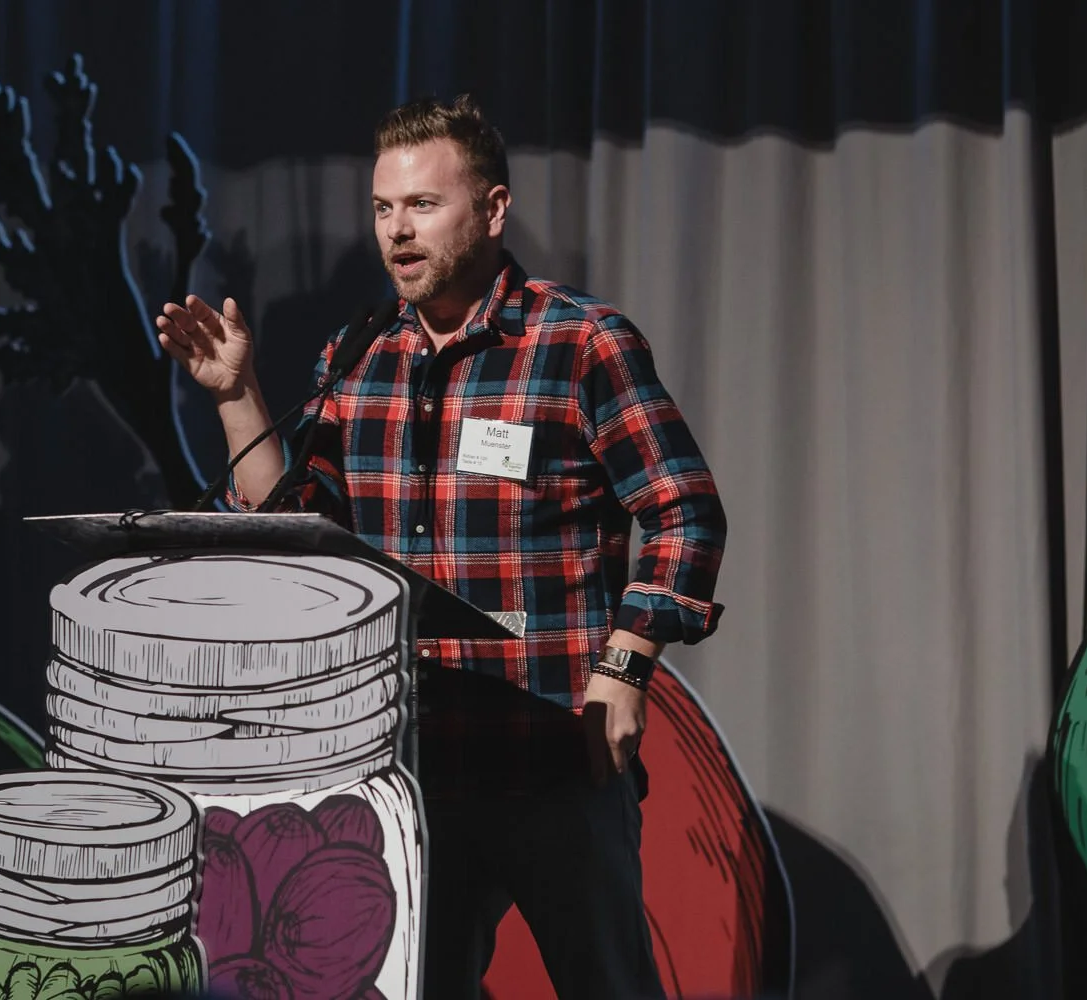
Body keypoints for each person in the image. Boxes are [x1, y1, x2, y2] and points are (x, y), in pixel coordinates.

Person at [156, 94, 727, 1000]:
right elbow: (298, 526)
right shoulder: (359, 353)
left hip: (552, 760)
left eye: (423, 205)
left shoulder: (578, 343)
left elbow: (685, 511)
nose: (397, 231)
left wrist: (625, 666)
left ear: (494, 210)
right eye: (384, 209)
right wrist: (236, 395)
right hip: (415, 768)